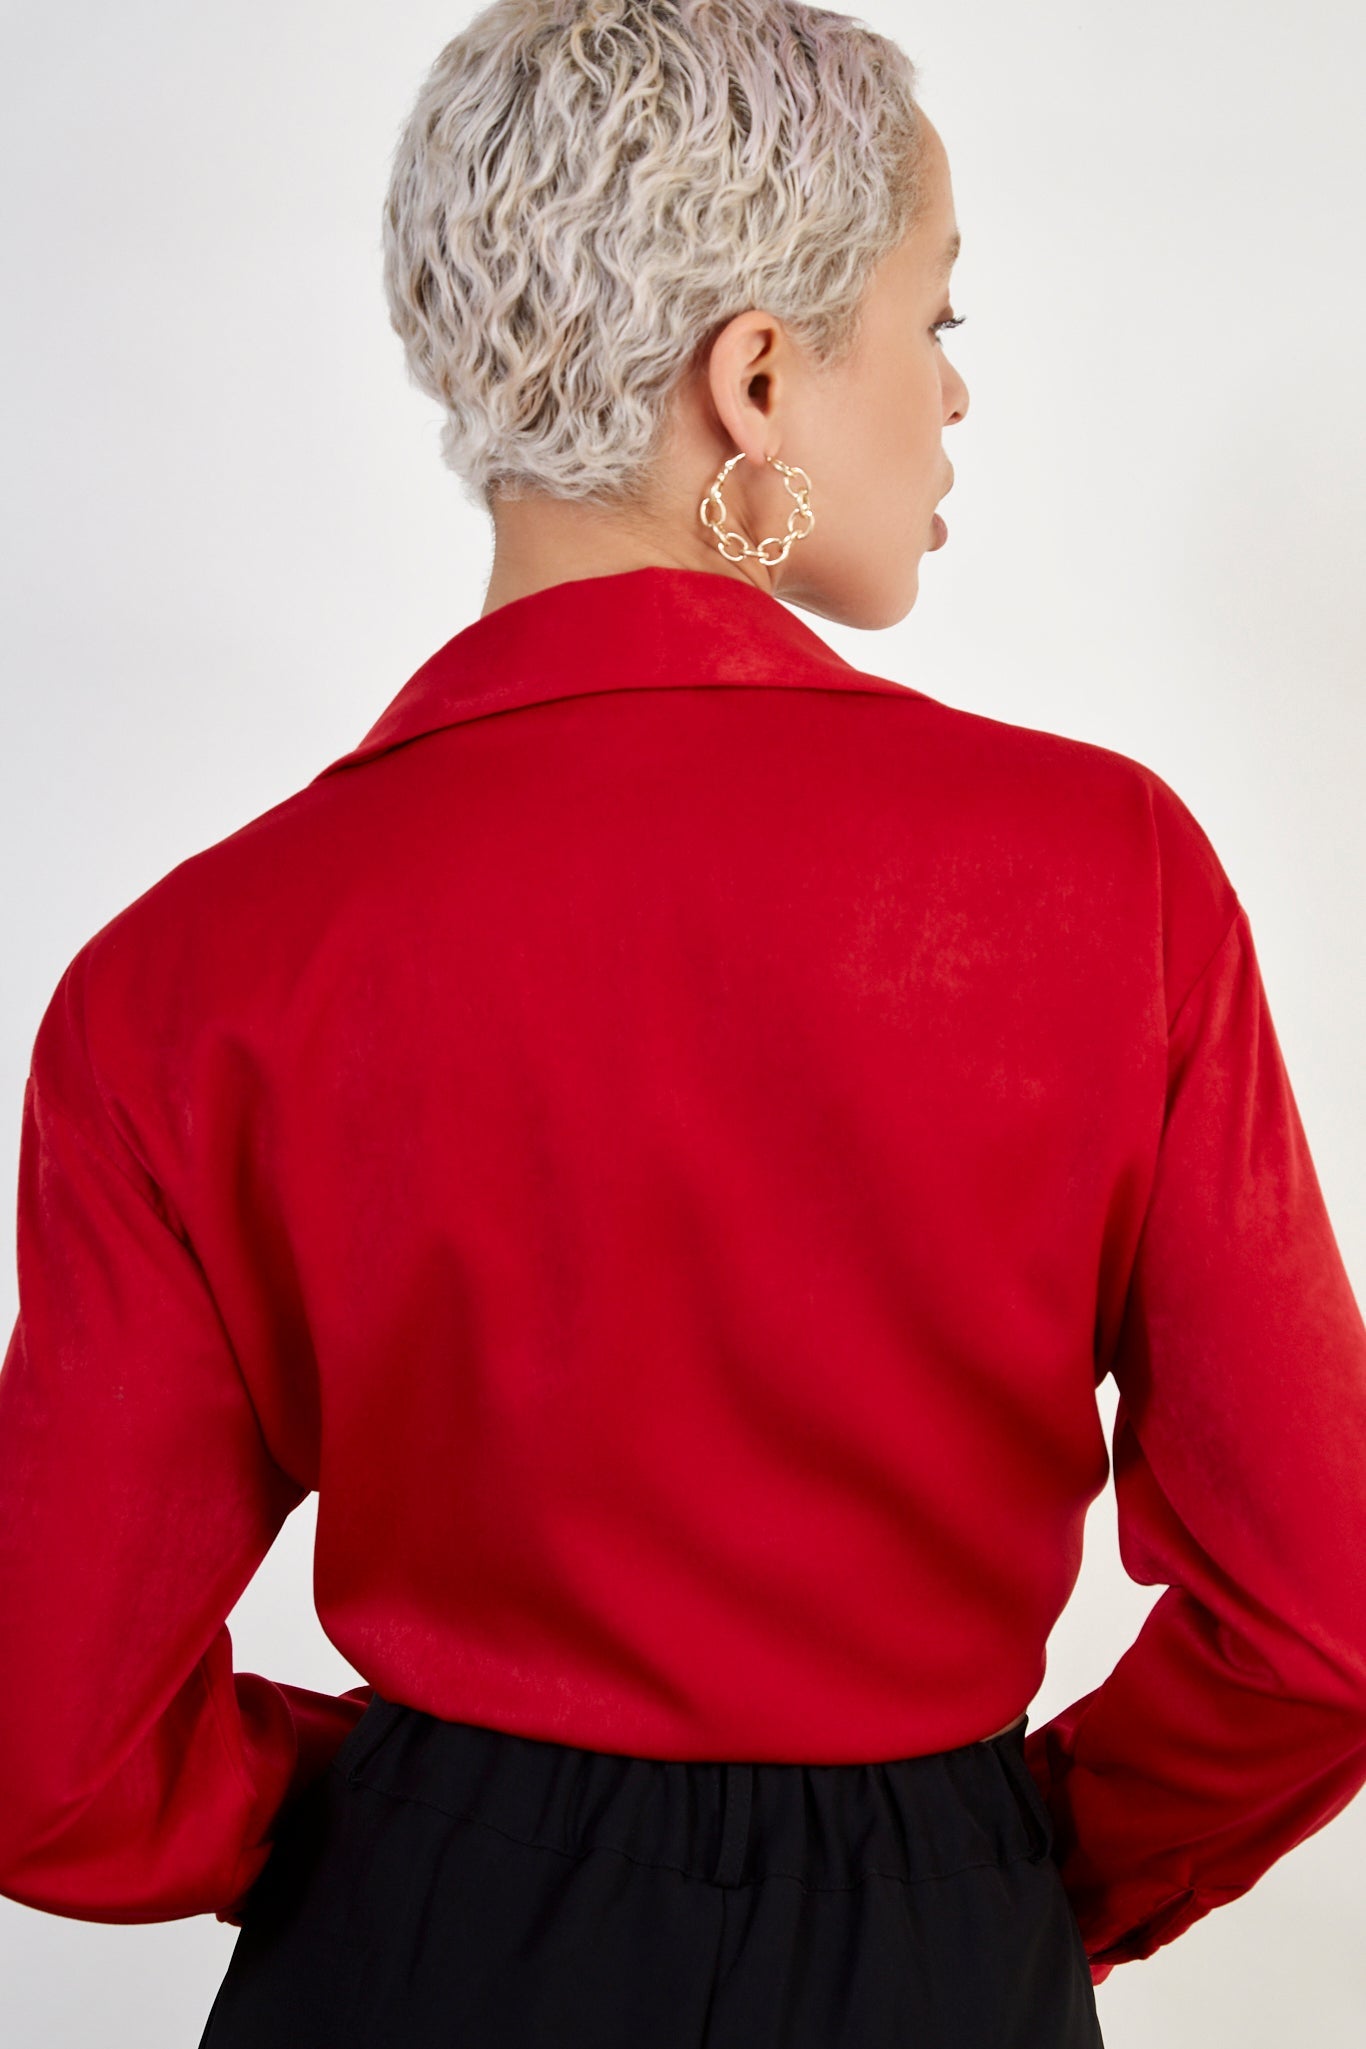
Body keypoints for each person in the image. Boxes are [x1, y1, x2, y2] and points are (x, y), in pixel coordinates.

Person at [1, 3, 1364, 2044]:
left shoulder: (179, 974)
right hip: (935, 1958)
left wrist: (396, 1818)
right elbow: (1325, 1619)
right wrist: (998, 1870)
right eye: (932, 317)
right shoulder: (1112, 879)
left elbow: (49, 1752)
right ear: (754, 378)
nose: (955, 391)